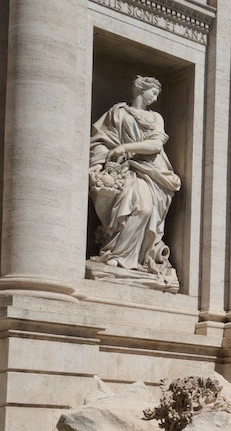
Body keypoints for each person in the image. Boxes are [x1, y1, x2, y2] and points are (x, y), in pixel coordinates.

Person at [88, 76, 181, 281]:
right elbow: (102, 140)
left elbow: (156, 146)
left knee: (145, 209)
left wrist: (125, 147)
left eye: (158, 94)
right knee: (132, 208)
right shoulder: (117, 113)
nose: (155, 98)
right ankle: (118, 255)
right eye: (153, 92)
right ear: (141, 90)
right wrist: (96, 164)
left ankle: (129, 257)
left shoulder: (156, 117)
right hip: (123, 169)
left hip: (152, 171)